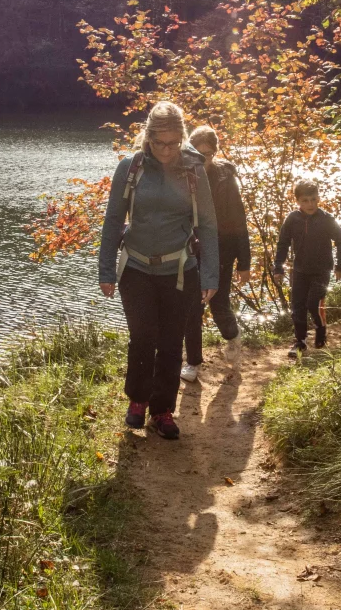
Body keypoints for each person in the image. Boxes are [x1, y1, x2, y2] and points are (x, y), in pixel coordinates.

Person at [98, 101, 218, 440]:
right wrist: (106, 269)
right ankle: (137, 400)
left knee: (170, 341)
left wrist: (210, 275)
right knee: (142, 337)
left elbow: (208, 225)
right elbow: (112, 221)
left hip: (180, 269)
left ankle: (162, 409)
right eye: (158, 143)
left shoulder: (194, 170)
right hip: (135, 268)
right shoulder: (130, 168)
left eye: (172, 143)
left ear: (181, 138)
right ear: (147, 138)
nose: (165, 151)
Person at [181, 125, 252, 382]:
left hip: (223, 250)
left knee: (218, 301)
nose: (203, 160)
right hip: (192, 249)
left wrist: (245, 262)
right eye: (197, 155)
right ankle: (193, 362)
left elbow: (239, 221)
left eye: (208, 154)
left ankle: (232, 337)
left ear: (216, 152)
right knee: (192, 305)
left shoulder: (225, 179)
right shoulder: (183, 175)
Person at [273, 178, 341, 358]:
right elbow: (283, 243)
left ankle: (321, 334)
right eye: (305, 200)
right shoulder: (293, 219)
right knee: (297, 306)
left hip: (321, 271)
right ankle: (300, 341)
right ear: (297, 201)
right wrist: (278, 267)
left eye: (313, 199)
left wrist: (340, 266)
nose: (310, 204)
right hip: (299, 270)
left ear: (319, 198)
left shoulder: (326, 219)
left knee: (314, 304)